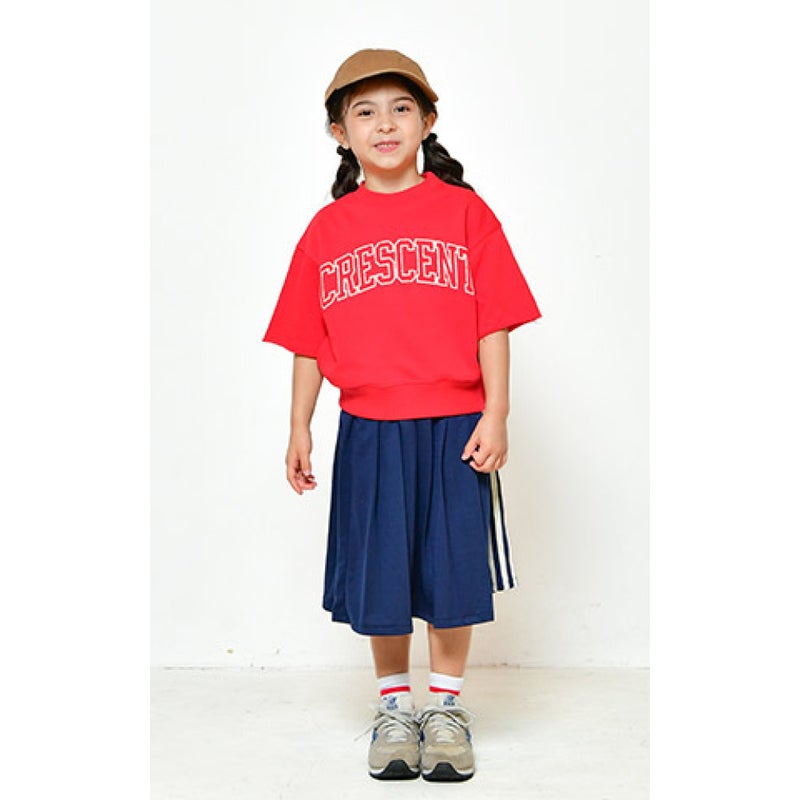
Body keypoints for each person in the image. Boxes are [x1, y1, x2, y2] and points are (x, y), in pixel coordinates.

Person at [263, 48, 541, 782]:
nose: (384, 124)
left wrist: (497, 411)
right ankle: (394, 709)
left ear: (427, 121)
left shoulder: (466, 212)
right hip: (370, 428)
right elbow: (308, 340)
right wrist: (299, 426)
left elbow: (494, 322)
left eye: (400, 108)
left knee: (452, 570)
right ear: (339, 132)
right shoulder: (329, 230)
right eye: (365, 112)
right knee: (381, 573)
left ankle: (445, 710)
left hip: (455, 426)